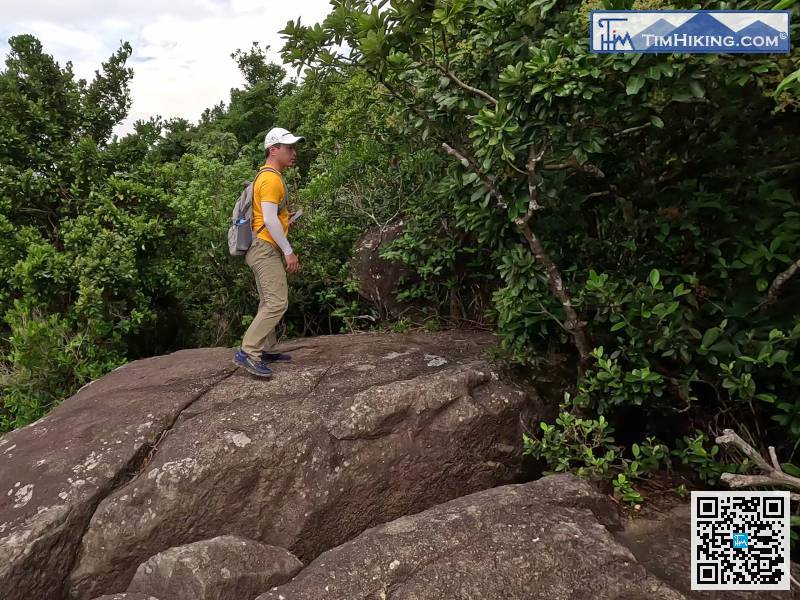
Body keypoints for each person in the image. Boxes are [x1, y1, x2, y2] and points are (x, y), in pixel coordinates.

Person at [233, 127, 304, 377]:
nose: (293, 152)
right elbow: (270, 221)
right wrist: (288, 251)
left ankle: (265, 348)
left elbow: (271, 217)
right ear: (273, 150)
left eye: (294, 147)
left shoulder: (266, 176)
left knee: (268, 300)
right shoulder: (271, 178)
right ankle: (249, 352)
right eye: (289, 148)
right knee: (277, 302)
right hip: (264, 247)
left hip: (260, 245)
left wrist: (287, 222)